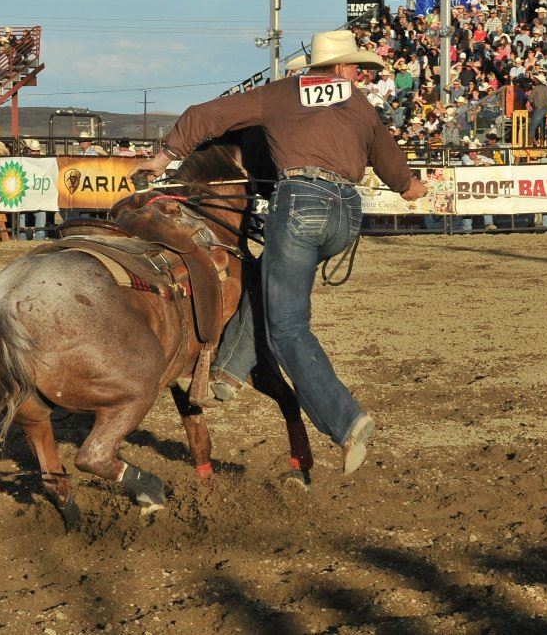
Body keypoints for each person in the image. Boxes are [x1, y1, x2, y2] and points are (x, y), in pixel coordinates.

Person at [130, 30, 427, 476]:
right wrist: (410, 186)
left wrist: (163, 157)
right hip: (346, 216)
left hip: (301, 203)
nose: (358, 74)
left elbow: (205, 114)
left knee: (288, 327)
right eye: (356, 67)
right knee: (269, 274)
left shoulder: (283, 93)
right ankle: (229, 371)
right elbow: (388, 157)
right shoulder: (359, 104)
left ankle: (346, 421)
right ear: (342, 68)